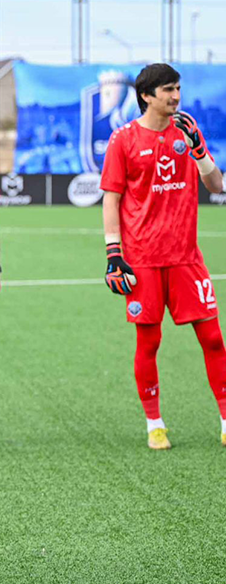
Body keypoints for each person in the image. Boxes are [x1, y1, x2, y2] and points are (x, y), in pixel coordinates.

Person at [100, 63, 226, 450]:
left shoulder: (187, 130)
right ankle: (154, 424)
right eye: (168, 89)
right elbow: (111, 199)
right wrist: (113, 254)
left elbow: (216, 185)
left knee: (213, 339)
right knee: (149, 342)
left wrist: (199, 149)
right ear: (146, 96)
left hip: (187, 258)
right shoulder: (123, 139)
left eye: (178, 89)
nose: (175, 96)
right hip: (142, 260)